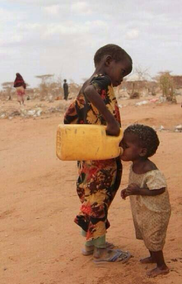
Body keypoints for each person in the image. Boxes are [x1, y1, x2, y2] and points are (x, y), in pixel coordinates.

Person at [64, 44, 132, 262]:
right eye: (123, 72)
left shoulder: (87, 83)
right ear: (109, 61)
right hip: (99, 157)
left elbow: (70, 117)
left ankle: (91, 244)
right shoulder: (99, 82)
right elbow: (91, 92)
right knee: (99, 199)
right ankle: (101, 251)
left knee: (92, 198)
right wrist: (111, 123)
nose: (121, 79)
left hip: (88, 154)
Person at [120, 124, 171, 277]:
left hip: (156, 211)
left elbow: (159, 188)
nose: (121, 148)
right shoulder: (135, 164)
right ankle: (153, 257)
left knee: (153, 237)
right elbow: (137, 184)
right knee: (146, 234)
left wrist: (138, 191)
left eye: (125, 146)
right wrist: (128, 191)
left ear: (142, 151)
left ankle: (162, 266)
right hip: (144, 210)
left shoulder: (150, 169)